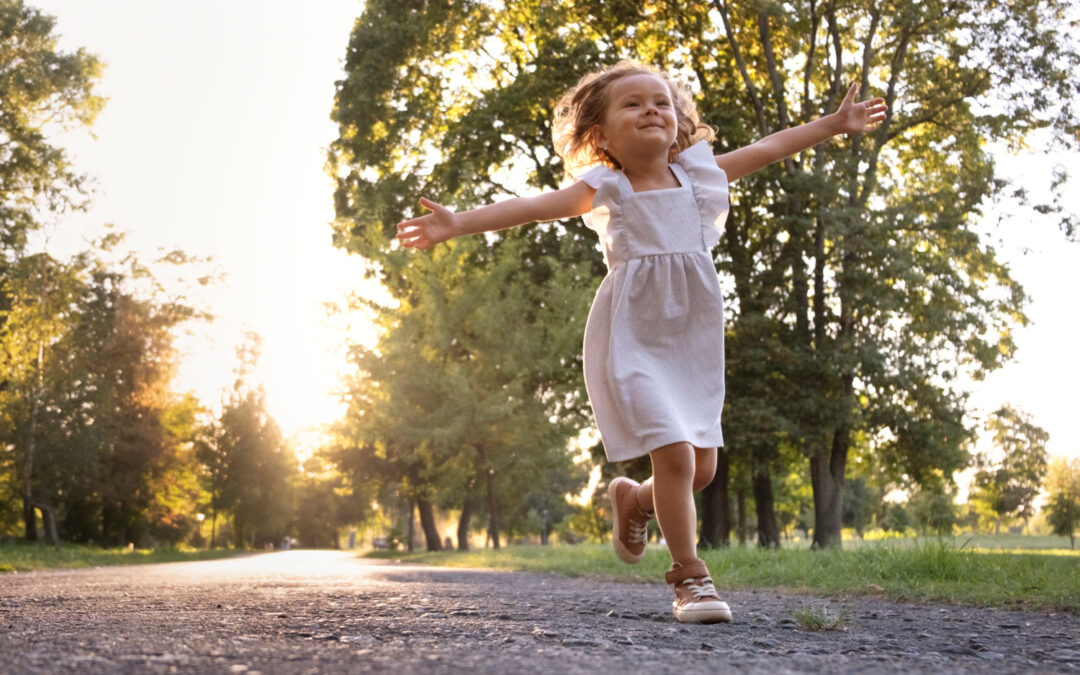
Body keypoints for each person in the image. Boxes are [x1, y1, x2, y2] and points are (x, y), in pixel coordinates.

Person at [396, 61, 886, 624]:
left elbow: (770, 147)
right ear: (601, 135)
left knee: (699, 472)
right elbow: (532, 207)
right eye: (632, 104)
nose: (650, 109)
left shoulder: (702, 176)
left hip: (693, 339)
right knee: (675, 455)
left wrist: (834, 123)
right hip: (632, 335)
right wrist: (458, 223)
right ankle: (691, 579)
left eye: (661, 101)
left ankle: (632, 499)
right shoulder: (607, 188)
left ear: (677, 123)